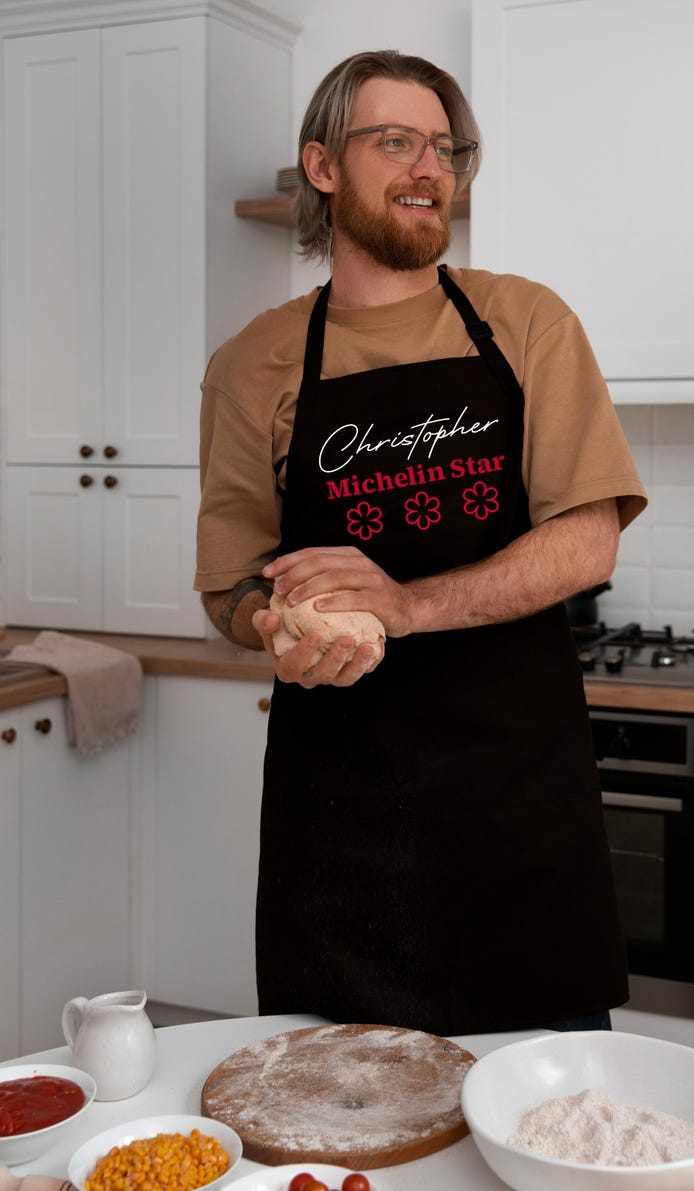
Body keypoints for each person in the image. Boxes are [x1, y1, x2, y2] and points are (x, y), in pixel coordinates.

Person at [195, 49, 648, 1037]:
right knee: (343, 1124)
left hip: (516, 803)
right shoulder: (252, 364)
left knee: (542, 1116)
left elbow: (585, 543)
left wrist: (404, 606)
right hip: (341, 822)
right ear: (322, 166)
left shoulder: (522, 321)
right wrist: (274, 622)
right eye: (394, 141)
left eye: (444, 147)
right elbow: (229, 588)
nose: (427, 168)